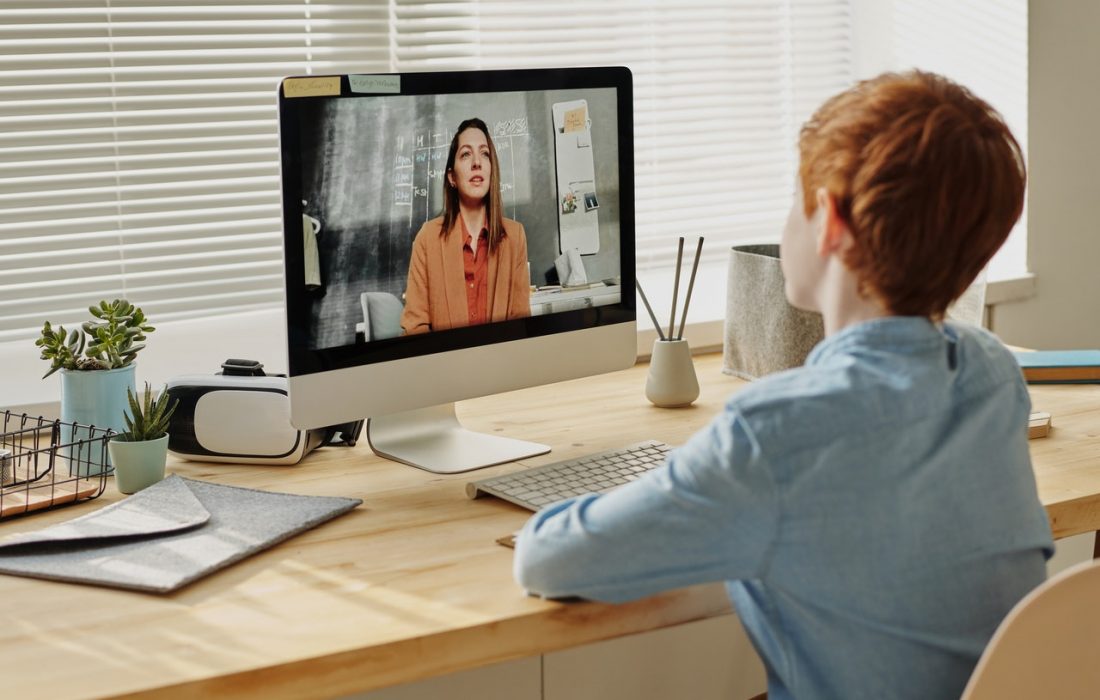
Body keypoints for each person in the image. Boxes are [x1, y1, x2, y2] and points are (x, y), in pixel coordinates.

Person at [513, 71, 1054, 700]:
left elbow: (548, 560)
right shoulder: (991, 372)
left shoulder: (773, 436)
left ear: (829, 221)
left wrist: (683, 484)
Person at [400, 118, 531, 335]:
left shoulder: (515, 237)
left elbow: (521, 325)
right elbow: (415, 328)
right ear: (452, 177)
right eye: (466, 154)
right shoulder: (427, 239)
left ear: (492, 170)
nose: (477, 162)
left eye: (485, 154)